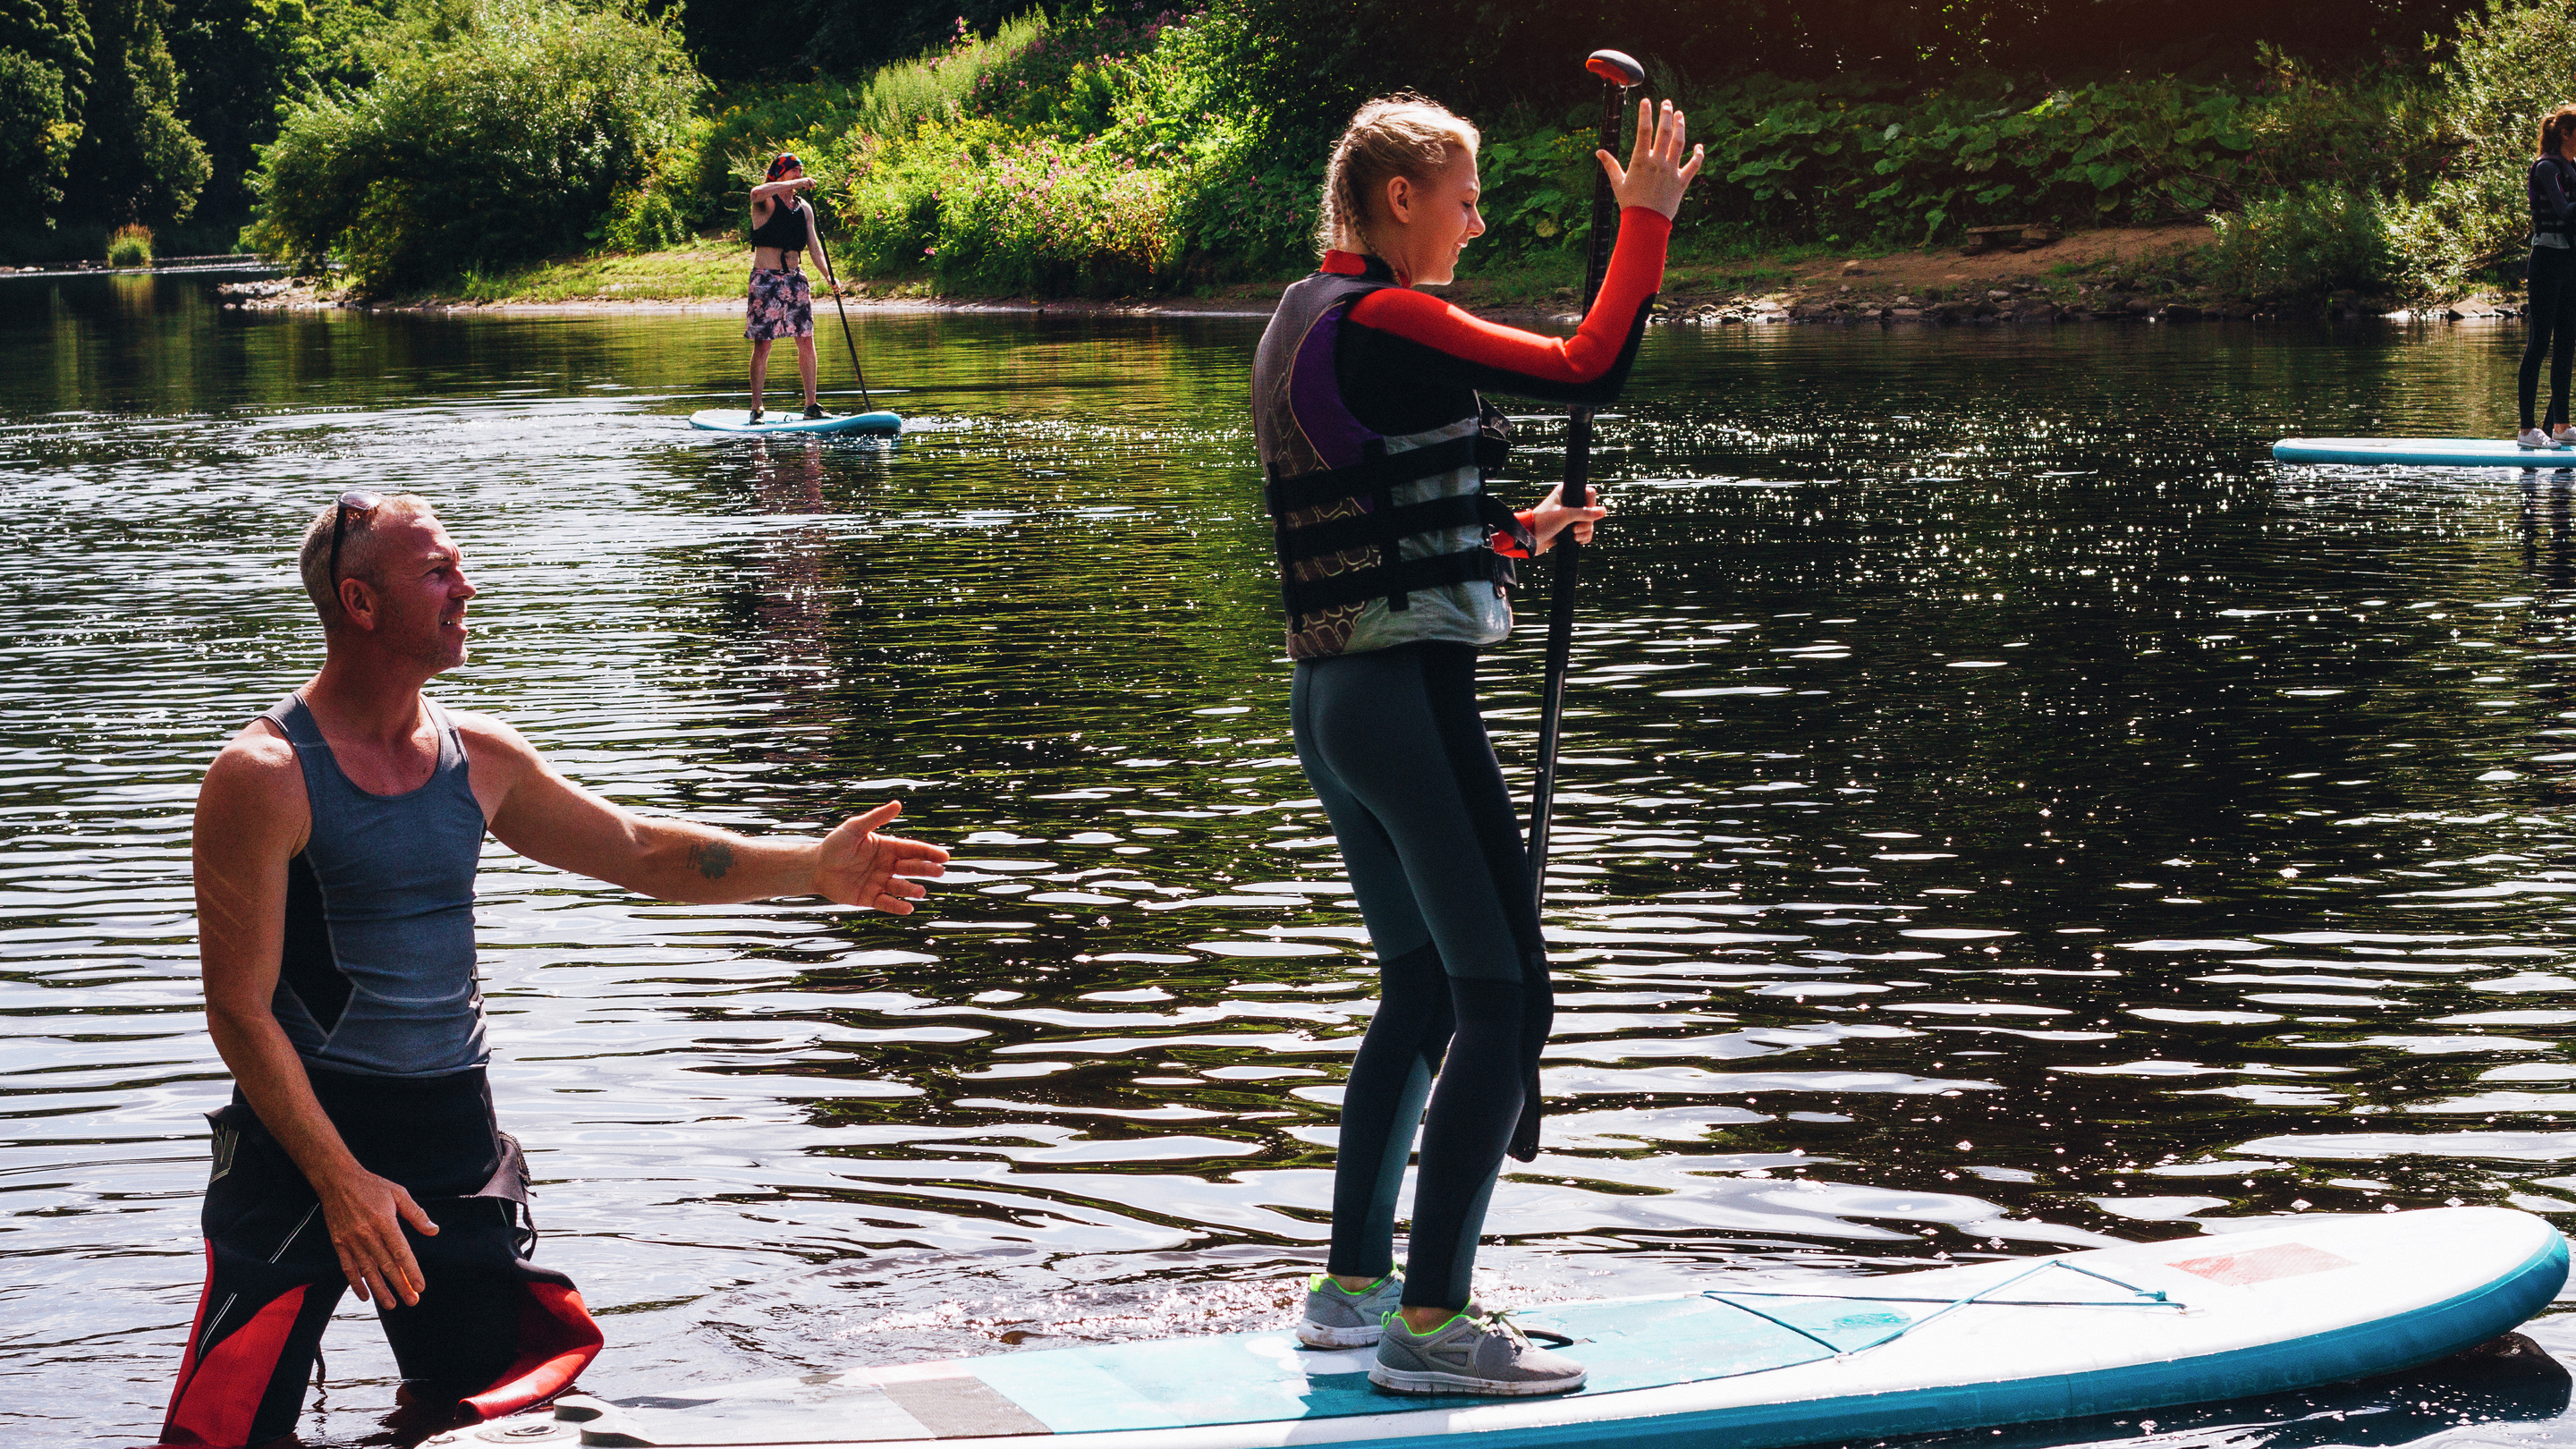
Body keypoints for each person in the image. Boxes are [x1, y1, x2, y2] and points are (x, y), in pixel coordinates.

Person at [158, 492, 948, 1448]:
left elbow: (642, 851)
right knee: (223, 1438)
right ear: (360, 604)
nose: (467, 586)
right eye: (439, 571)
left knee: (493, 1427)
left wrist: (810, 868)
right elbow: (239, 1012)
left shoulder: (480, 758)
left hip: (450, 1149)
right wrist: (343, 1182)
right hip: (300, 1155)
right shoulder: (264, 774)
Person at [1250, 92, 1699, 1396]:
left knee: (1426, 990)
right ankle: (1435, 1327)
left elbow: (1373, 509)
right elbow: (1585, 365)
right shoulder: (1390, 314)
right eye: (1463, 195)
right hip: (1406, 704)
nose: (1476, 217)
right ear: (1400, 201)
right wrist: (1648, 227)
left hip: (1334, 706)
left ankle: (1351, 1295)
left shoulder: (1304, 314)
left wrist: (1512, 535)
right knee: (1508, 999)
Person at [745, 152, 843, 424]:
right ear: (780, 174)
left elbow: (814, 248)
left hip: (795, 280)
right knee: (763, 345)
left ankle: (811, 405)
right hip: (766, 280)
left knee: (806, 340)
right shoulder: (765, 201)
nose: (799, 175)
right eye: (793, 171)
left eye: (800, 171)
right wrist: (790, 185)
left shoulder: (805, 209)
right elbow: (755, 192)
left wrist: (828, 276)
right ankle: (757, 408)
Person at [2521, 106, 2576, 448]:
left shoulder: (2574, 169)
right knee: (2540, 342)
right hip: (2545, 261)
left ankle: (2560, 426)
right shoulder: (2546, 167)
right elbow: (2564, 210)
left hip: (2570, 262)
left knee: (2567, 344)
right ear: (2566, 134)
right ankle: (2527, 430)